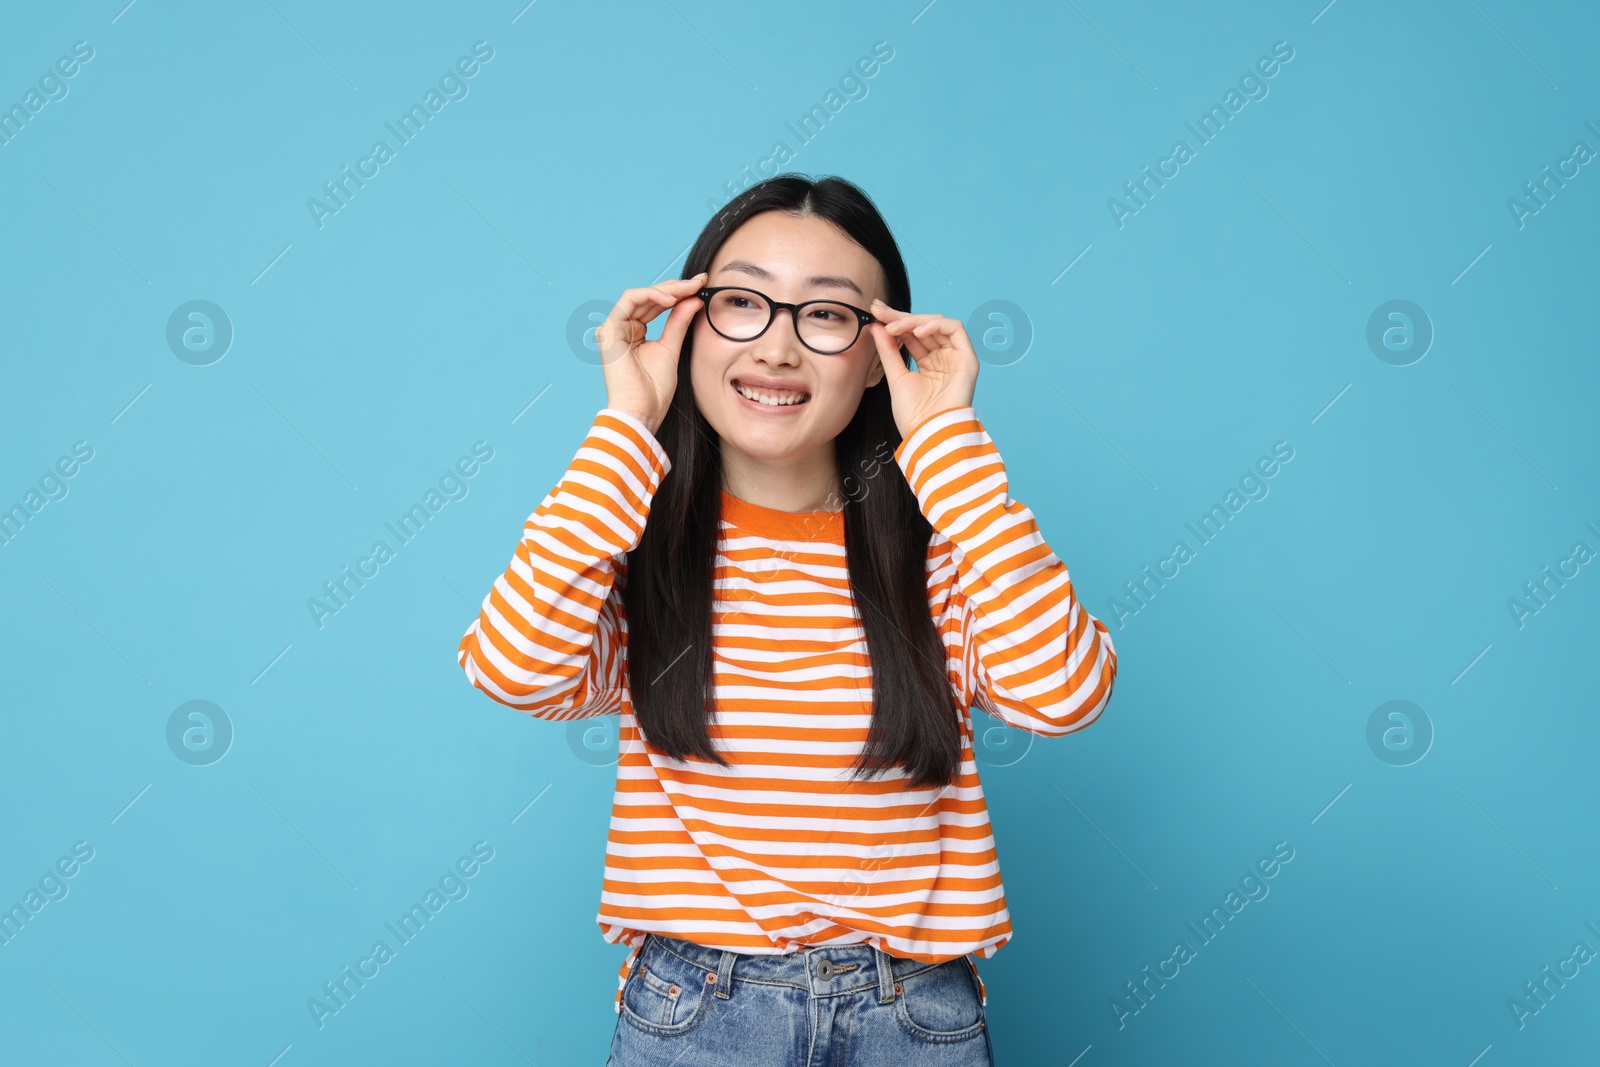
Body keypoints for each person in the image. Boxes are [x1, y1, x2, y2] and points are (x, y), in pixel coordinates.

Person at [456, 174, 1119, 1065]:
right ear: (686, 325)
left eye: (828, 315)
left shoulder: (944, 557)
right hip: (699, 1010)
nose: (776, 347)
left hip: (914, 1015)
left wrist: (950, 448)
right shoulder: (635, 553)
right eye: (742, 302)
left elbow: (1067, 695)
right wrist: (626, 427)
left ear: (884, 350)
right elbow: (510, 667)